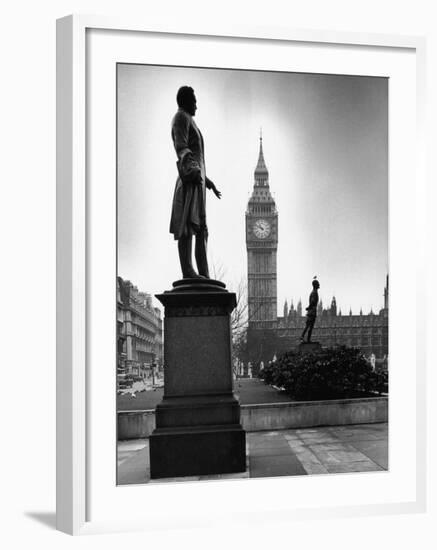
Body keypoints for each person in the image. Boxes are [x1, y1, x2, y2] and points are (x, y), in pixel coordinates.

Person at [169, 86, 221, 279]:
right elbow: (181, 147)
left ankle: (204, 274)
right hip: (189, 179)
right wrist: (194, 170)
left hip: (198, 181)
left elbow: (198, 157)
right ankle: (188, 271)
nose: (197, 105)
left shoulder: (190, 121)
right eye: (194, 101)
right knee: (187, 225)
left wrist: (208, 181)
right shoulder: (181, 118)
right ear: (186, 101)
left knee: (200, 228)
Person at [300, 277, 320, 342]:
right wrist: (309, 307)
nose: (319, 285)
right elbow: (313, 301)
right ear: (315, 285)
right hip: (312, 312)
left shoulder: (314, 292)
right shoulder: (314, 292)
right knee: (309, 326)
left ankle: (308, 339)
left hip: (312, 311)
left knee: (310, 326)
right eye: (318, 284)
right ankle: (302, 336)